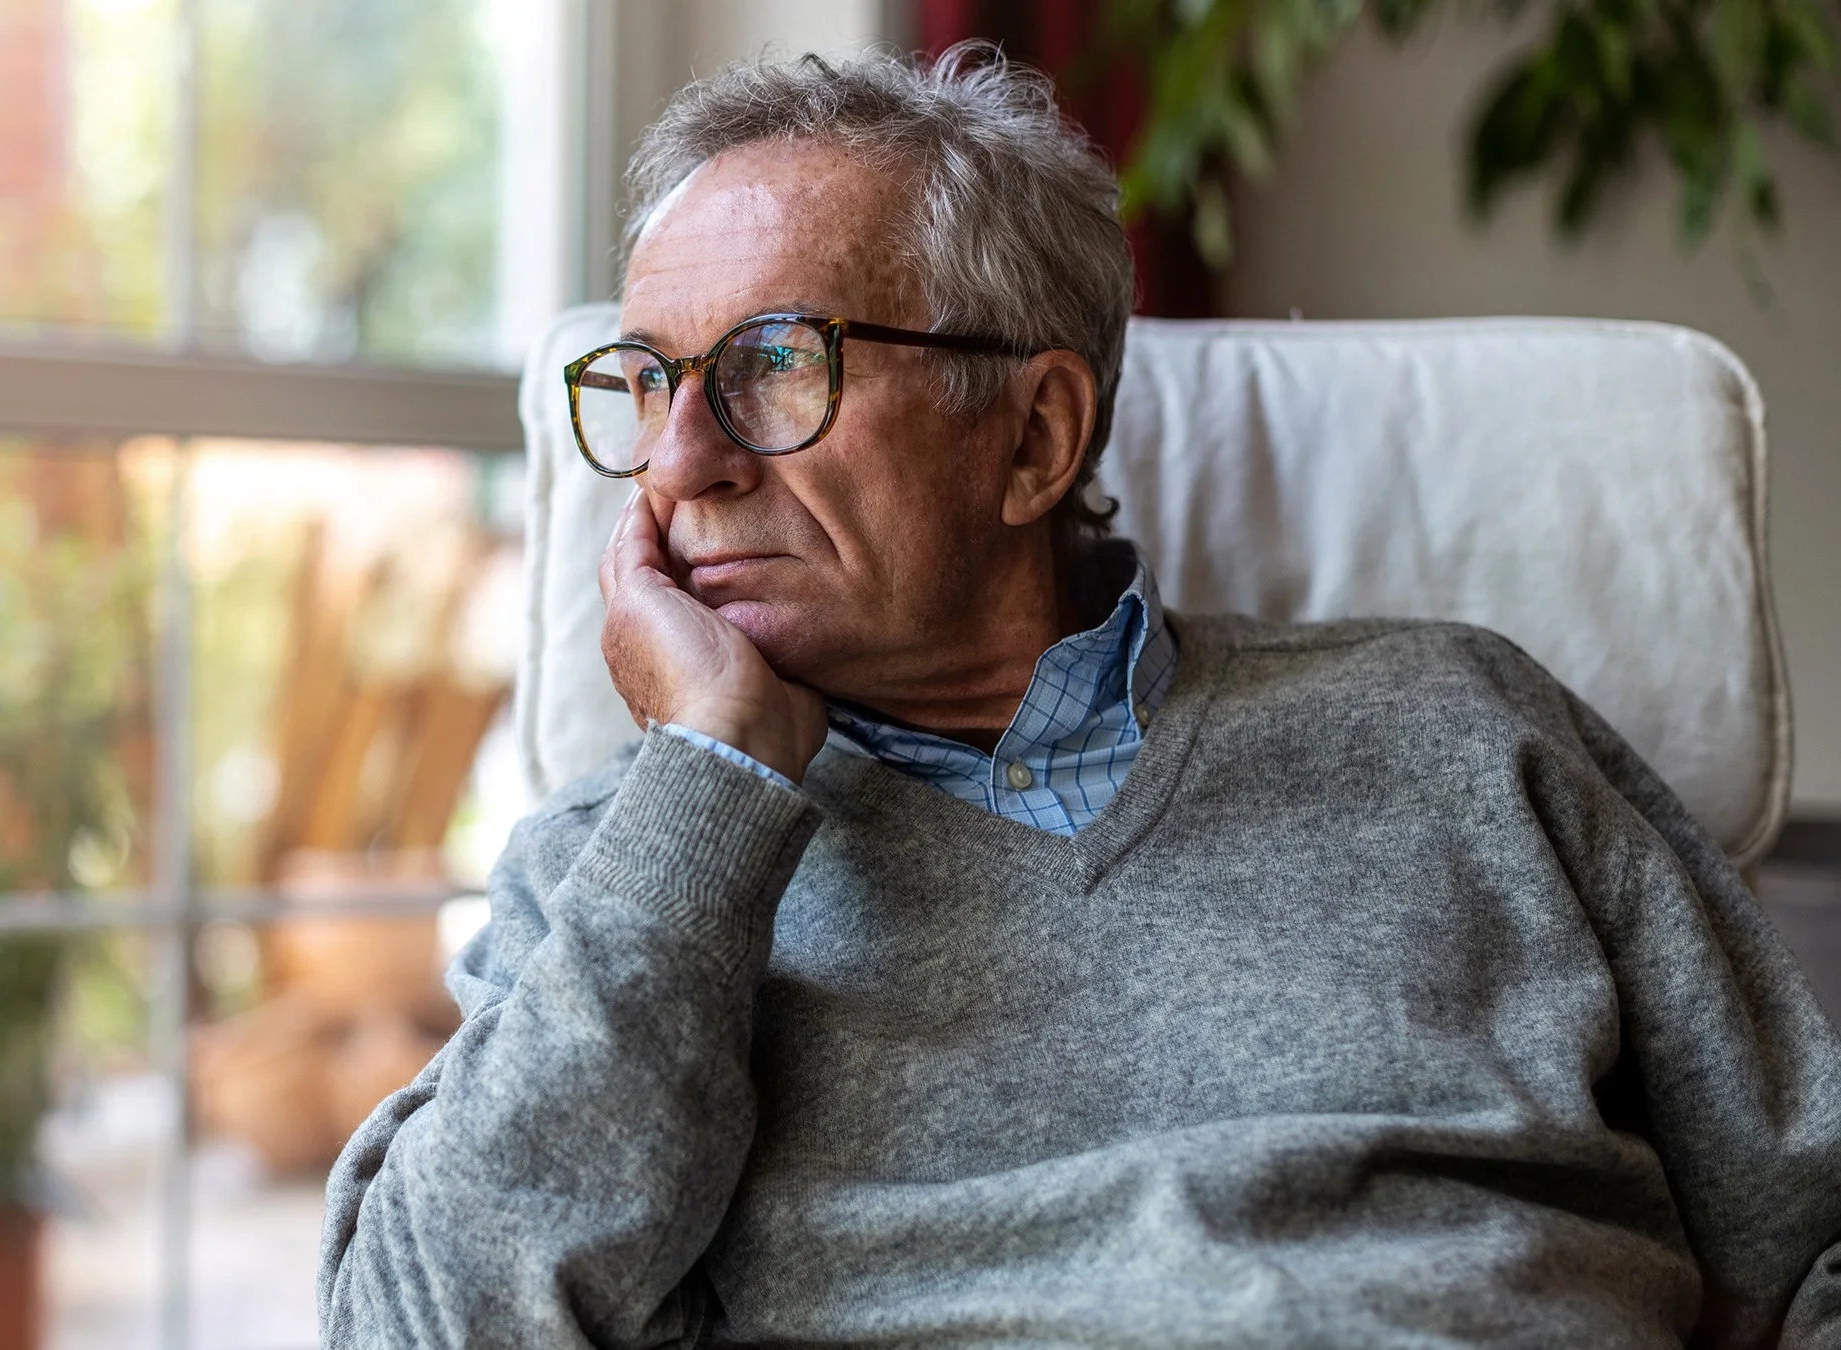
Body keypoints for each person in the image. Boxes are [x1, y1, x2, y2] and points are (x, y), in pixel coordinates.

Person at [317, 44, 1841, 1349]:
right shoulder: (628, 873)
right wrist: (711, 781)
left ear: (1036, 438)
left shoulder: (1463, 727)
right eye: (648, 382)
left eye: (776, 363)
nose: (677, 462)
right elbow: (424, 1323)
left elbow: (1816, 1219)